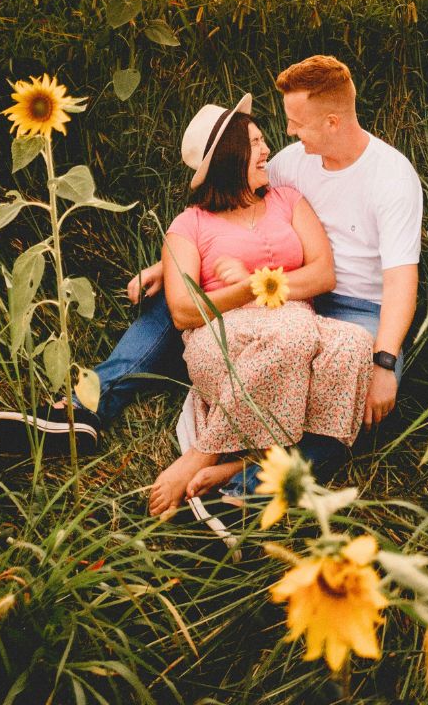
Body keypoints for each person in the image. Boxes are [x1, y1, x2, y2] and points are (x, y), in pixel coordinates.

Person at [0, 56, 423, 494]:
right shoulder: (295, 160)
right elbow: (232, 211)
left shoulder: (390, 177)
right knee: (175, 301)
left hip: (356, 308)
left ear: (331, 122)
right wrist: (172, 264)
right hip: (274, 297)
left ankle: (243, 483)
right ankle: (83, 408)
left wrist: (385, 360)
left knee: (361, 394)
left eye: (297, 123)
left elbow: (401, 280)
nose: (286, 134)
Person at [146, 94, 373, 515]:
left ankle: (238, 463)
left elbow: (323, 273)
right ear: (229, 158)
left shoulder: (287, 200)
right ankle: (207, 454)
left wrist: (261, 284)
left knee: (353, 344)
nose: (267, 150)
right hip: (223, 340)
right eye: (254, 143)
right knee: (294, 332)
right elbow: (182, 310)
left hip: (294, 325)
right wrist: (251, 291)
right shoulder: (189, 224)